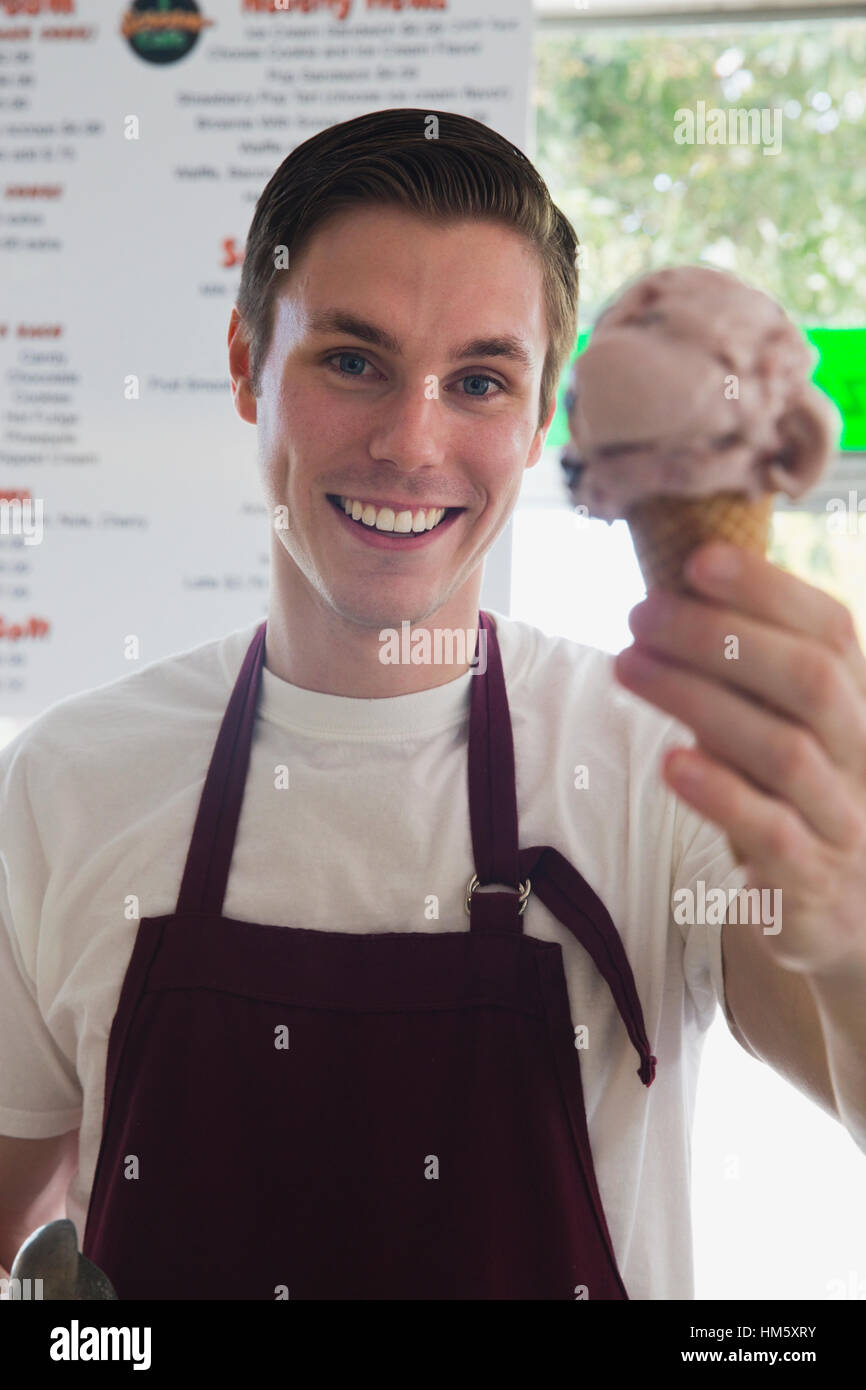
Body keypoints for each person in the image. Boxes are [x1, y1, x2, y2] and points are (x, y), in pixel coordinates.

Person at [0, 108, 864, 1302]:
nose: (411, 444)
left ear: (541, 414)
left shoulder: (665, 763)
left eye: (478, 381)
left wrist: (849, 919)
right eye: (351, 361)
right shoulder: (64, 780)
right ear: (247, 364)